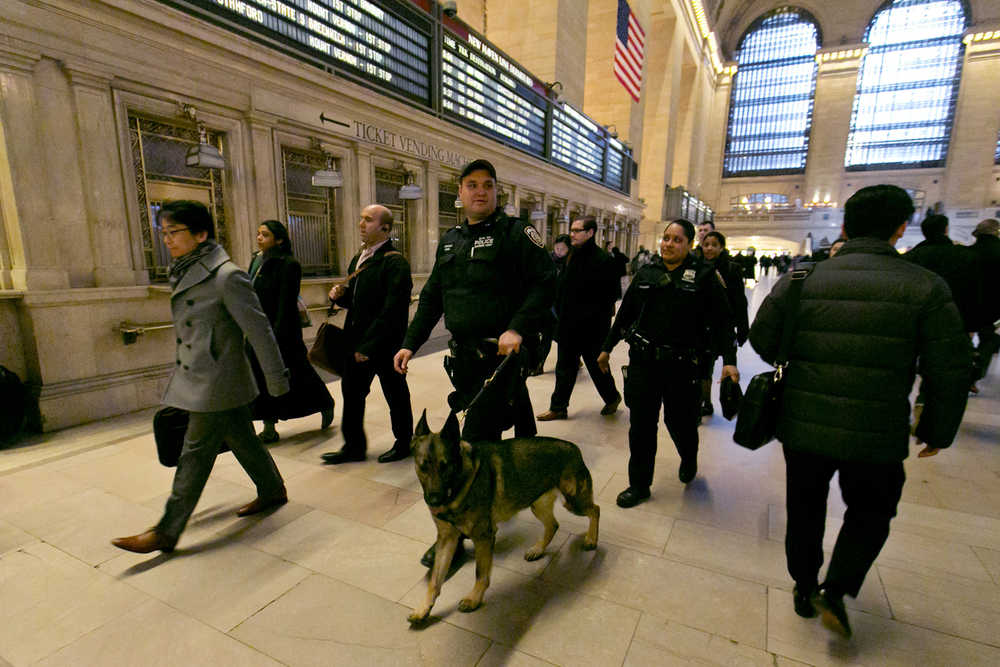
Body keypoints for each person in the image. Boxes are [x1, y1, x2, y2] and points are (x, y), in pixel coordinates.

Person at [749, 185, 971, 638]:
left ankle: (804, 585)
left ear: (845, 226)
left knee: (805, 506)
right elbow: (950, 367)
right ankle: (838, 587)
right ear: (901, 228)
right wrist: (938, 429)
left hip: (804, 423)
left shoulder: (802, 279)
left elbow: (762, 340)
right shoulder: (925, 286)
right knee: (872, 509)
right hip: (877, 429)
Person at [393, 158, 555, 567]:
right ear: (460, 193)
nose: (479, 191)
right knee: (515, 423)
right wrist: (411, 342)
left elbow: (546, 282)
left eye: (487, 185)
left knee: (472, 445)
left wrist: (517, 327)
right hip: (464, 357)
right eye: (471, 185)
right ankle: (534, 473)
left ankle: (462, 534)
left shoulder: (517, 234)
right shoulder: (451, 240)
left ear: (496, 191)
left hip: (502, 357)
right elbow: (432, 296)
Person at [112, 201, 290, 554]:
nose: (167, 240)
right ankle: (272, 489)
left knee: (194, 454)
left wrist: (277, 379)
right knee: (243, 438)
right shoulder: (184, 270)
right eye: (163, 233)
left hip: (218, 381)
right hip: (205, 378)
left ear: (201, 234)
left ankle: (166, 530)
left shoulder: (227, 276)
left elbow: (260, 331)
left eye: (174, 232)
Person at [598, 219, 739, 508]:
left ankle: (689, 456)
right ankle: (639, 485)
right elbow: (625, 314)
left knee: (681, 423)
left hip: (683, 366)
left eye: (677, 240)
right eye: (666, 238)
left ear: (689, 245)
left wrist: (730, 361)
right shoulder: (647, 273)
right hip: (645, 363)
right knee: (641, 426)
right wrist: (606, 348)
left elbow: (724, 323)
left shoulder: (704, 276)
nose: (669, 244)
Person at [321, 205, 414, 465]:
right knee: (351, 393)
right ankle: (353, 446)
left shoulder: (395, 262)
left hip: (385, 345)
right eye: (361, 218)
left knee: (395, 394)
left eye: (368, 220)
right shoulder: (359, 258)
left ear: (385, 228)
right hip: (356, 342)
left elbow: (393, 311)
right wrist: (341, 297)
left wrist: (370, 346)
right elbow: (360, 303)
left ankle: (405, 441)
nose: (361, 223)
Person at [248, 220, 335, 443]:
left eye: (265, 235)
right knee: (260, 377)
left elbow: (286, 303)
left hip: (282, 332)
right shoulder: (256, 260)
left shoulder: (288, 264)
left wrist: (276, 335)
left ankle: (324, 402)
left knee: (299, 374)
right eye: (259, 233)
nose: (259, 238)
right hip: (258, 330)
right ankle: (269, 427)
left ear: (279, 240)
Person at [537, 216, 621, 421]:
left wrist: (597, 325)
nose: (572, 234)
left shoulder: (603, 260)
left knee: (596, 368)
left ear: (590, 233)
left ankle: (612, 397)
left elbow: (612, 295)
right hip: (568, 325)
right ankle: (558, 407)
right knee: (564, 367)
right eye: (572, 230)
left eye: (577, 230)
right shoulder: (571, 255)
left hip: (591, 329)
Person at [697, 231, 749, 418]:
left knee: (728, 366)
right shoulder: (697, 267)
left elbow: (740, 301)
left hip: (725, 326)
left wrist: (743, 328)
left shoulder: (732, 269)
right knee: (704, 367)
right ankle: (705, 402)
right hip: (703, 326)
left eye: (714, 244)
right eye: (706, 244)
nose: (709, 248)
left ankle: (729, 402)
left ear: (721, 247)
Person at [905, 214, 982, 334]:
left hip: (917, 322)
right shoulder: (966, 256)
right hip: (955, 319)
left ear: (924, 232)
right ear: (946, 229)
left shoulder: (910, 258)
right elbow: (973, 291)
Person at [530, 234, 571, 376]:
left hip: (562, 307)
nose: (559, 251)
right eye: (557, 247)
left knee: (561, 338)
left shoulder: (571, 264)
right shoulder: (547, 259)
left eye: (563, 249)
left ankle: (574, 359)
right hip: (546, 305)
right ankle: (539, 364)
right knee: (546, 336)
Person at [970, 219, 1000, 383]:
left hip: (968, 303)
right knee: (989, 338)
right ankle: (975, 373)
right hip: (994, 306)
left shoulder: (968, 253)